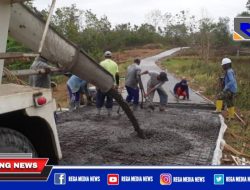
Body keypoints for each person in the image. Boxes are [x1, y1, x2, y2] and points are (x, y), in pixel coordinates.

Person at [96, 51, 119, 116]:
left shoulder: (101, 63)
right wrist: (117, 84)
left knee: (100, 98)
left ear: (104, 56)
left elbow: (98, 74)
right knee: (109, 98)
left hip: (102, 84)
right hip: (111, 84)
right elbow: (117, 75)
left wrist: (97, 84)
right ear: (111, 56)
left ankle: (98, 112)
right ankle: (109, 113)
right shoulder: (115, 64)